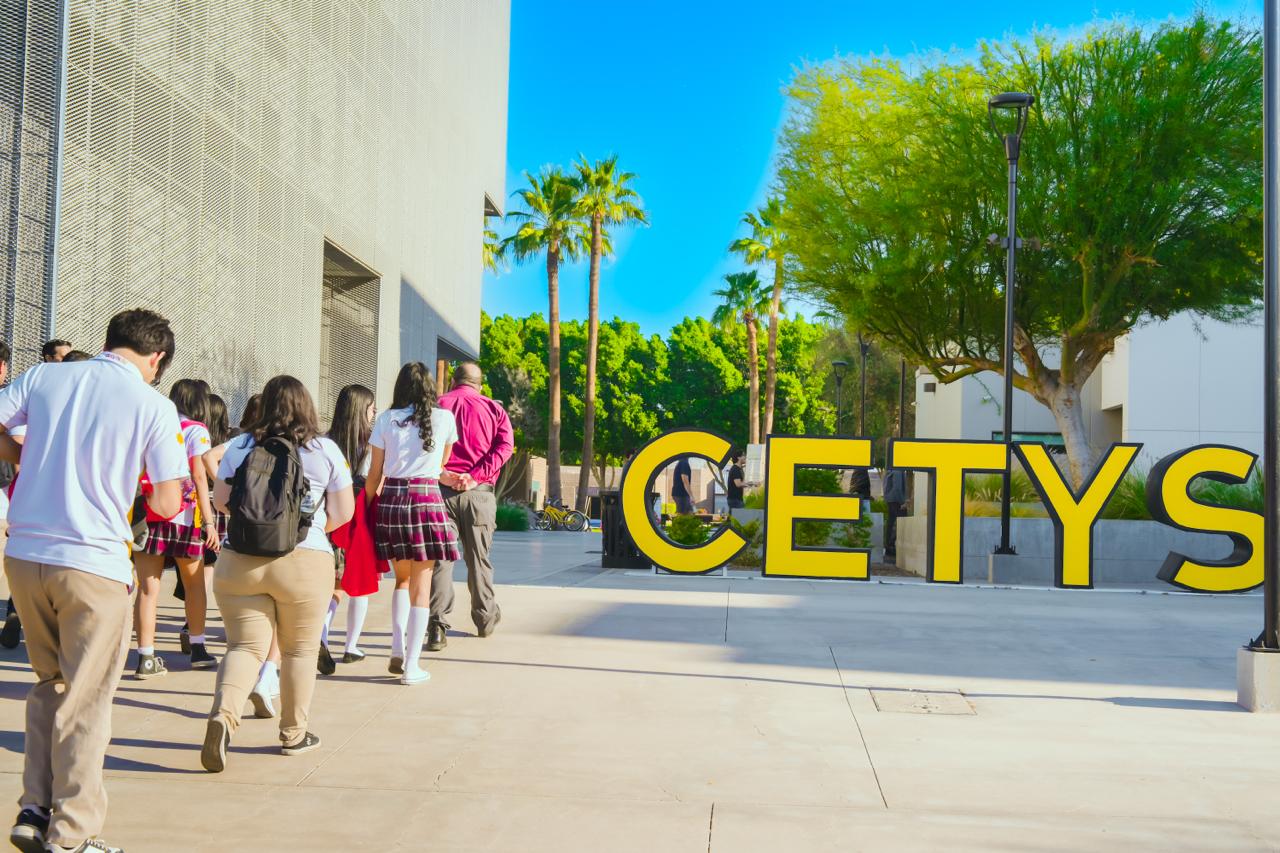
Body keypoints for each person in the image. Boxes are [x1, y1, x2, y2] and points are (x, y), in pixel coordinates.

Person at [0, 309, 187, 853]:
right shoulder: (153, 404)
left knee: (50, 686)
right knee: (87, 700)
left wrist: (21, 454)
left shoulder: (45, 377)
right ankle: (74, 833)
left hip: (27, 554)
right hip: (94, 562)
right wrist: (142, 500)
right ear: (156, 359)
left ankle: (34, 811)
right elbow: (168, 501)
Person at [202, 376, 354, 770]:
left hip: (240, 561)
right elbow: (343, 513)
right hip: (304, 562)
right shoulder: (325, 450)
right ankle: (294, 734)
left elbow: (220, 502)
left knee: (244, 648)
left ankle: (223, 717)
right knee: (299, 650)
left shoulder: (240, 445)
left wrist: (257, 522)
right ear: (307, 406)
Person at [365, 362, 462, 684]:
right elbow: (442, 463)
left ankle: (397, 648)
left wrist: (366, 508)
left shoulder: (385, 420)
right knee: (422, 585)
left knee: (401, 580)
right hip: (426, 498)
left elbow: (375, 474)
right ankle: (411, 665)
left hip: (392, 499)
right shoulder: (445, 418)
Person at [133, 379, 221, 677]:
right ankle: (197, 648)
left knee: (148, 589)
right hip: (185, 519)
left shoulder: (154, 424)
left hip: (151, 513)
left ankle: (145, 656)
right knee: (195, 584)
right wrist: (209, 522)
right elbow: (199, 477)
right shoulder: (197, 429)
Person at [428, 362, 514, 651]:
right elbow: (504, 448)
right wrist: (475, 475)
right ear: (480, 384)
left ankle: (437, 626)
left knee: (442, 559)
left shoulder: (437, 406)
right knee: (479, 558)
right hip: (479, 494)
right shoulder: (494, 409)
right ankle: (485, 619)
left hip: (440, 492)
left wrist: (442, 472)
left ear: (454, 381)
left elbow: (423, 444)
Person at [319, 383, 376, 671]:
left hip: (329, 518)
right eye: (371, 408)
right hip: (357, 519)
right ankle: (351, 645)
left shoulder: (326, 441)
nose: (374, 413)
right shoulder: (370, 447)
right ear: (362, 411)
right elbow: (373, 482)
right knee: (358, 586)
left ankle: (323, 637)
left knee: (332, 585)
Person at [882, 466, 909, 561]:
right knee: (897, 523)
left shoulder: (890, 469)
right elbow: (897, 487)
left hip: (890, 499)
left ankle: (889, 547)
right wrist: (902, 502)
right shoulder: (898, 469)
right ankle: (891, 547)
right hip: (896, 499)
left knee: (891, 522)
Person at [725, 452, 746, 517]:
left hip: (737, 499)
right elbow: (738, 484)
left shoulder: (739, 469)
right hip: (735, 500)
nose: (745, 457)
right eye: (743, 455)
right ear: (738, 457)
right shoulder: (735, 469)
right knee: (739, 520)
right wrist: (750, 484)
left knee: (735, 521)